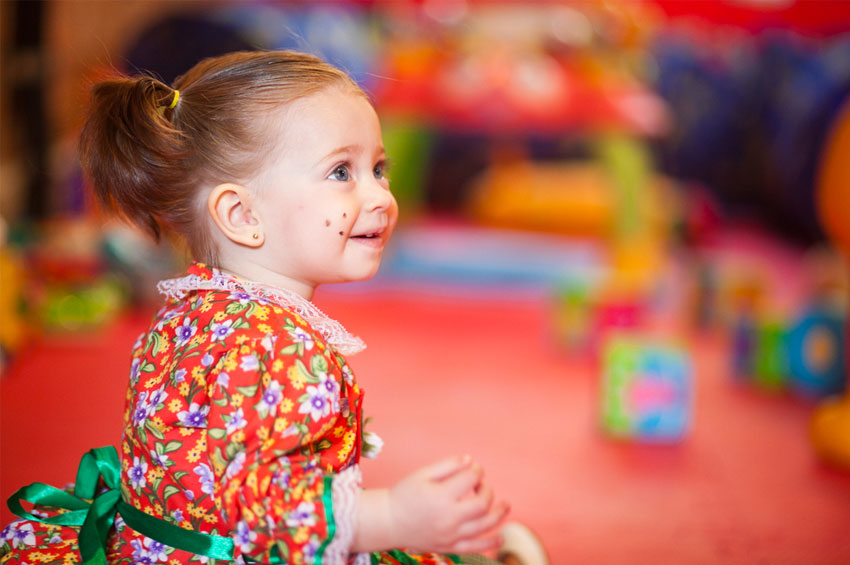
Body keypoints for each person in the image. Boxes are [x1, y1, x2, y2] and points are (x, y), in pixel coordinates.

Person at [0, 51, 545, 565]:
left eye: (378, 168)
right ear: (240, 215)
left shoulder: (194, 310)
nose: (380, 196)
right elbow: (258, 513)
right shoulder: (273, 345)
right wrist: (392, 517)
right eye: (341, 173)